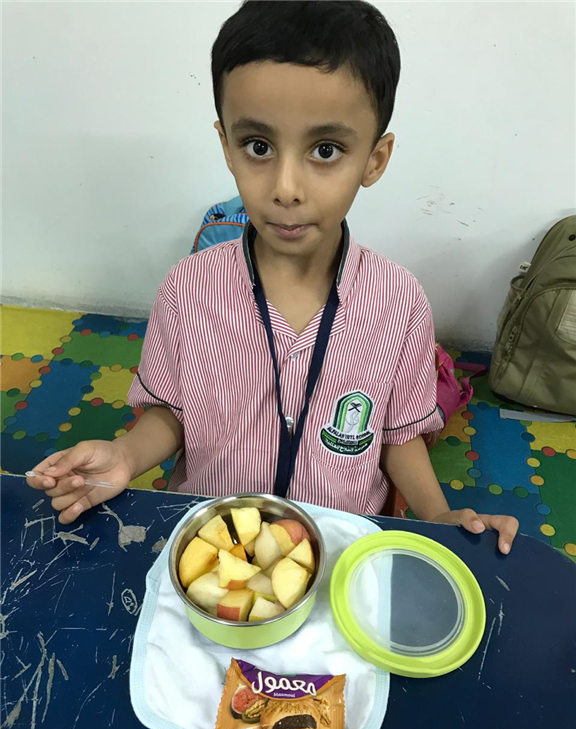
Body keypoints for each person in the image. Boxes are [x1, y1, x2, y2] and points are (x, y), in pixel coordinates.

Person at [26, 0, 519, 553]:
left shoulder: (398, 301)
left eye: (326, 150)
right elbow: (171, 414)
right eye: (258, 146)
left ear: (375, 159)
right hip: (215, 545)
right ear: (226, 145)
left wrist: (438, 514)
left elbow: (398, 435)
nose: (285, 188)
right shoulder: (188, 289)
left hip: (339, 548)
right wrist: (125, 455)